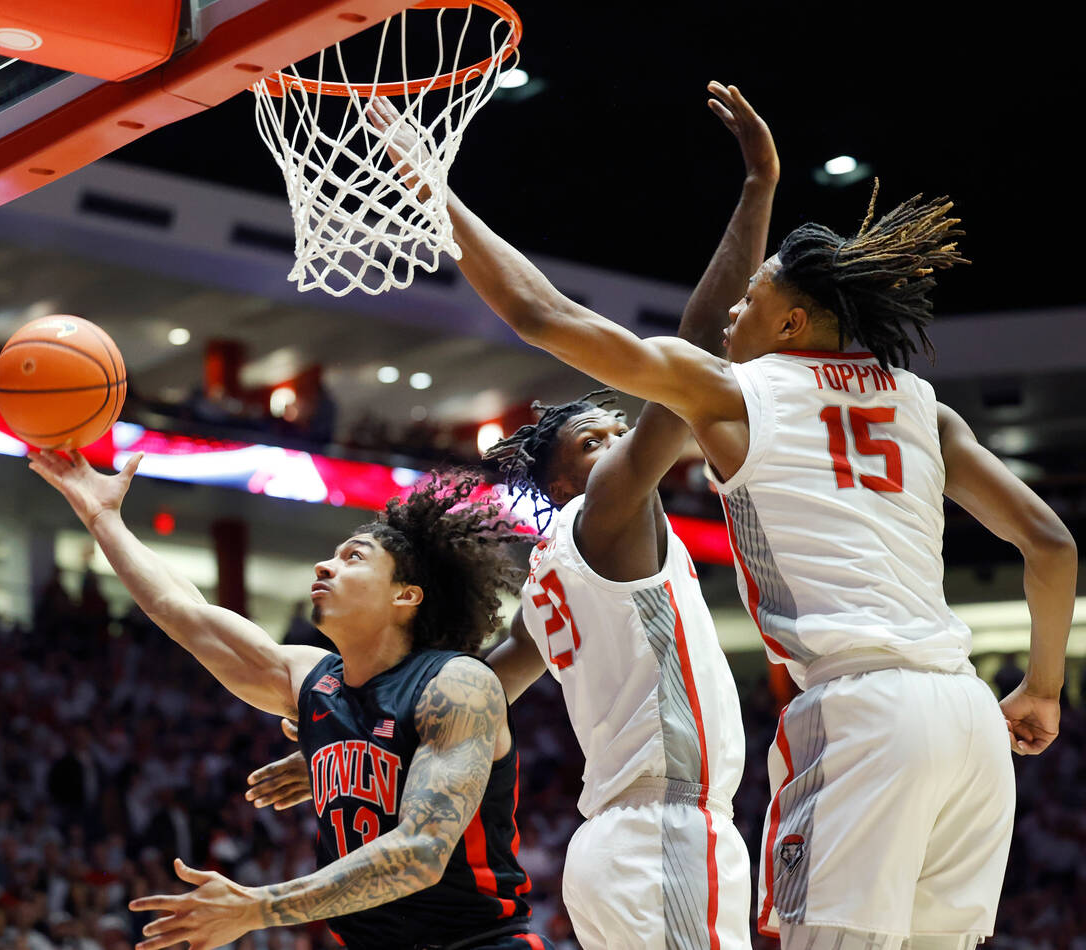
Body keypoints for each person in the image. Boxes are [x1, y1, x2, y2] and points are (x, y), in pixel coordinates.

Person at [374, 97, 1078, 950]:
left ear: (791, 322)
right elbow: (1050, 543)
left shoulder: (735, 395)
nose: (738, 313)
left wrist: (429, 186)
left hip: (864, 716)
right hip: (969, 721)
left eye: (756, 298)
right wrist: (1042, 687)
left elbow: (545, 317)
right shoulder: (925, 410)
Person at [249, 82, 778, 950]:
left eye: (620, 428)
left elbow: (478, 684)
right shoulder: (607, 519)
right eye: (593, 438)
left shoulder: (550, 577)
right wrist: (758, 188)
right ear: (566, 477)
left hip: (613, 847)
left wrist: (346, 747)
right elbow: (693, 356)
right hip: (666, 835)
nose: (616, 439)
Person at [26, 448, 551, 950]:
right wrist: (102, 518)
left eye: (353, 557)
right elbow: (180, 610)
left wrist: (258, 907)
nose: (325, 566)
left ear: (405, 595)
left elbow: (422, 852)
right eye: (330, 556)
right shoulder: (310, 679)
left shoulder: (455, 683)